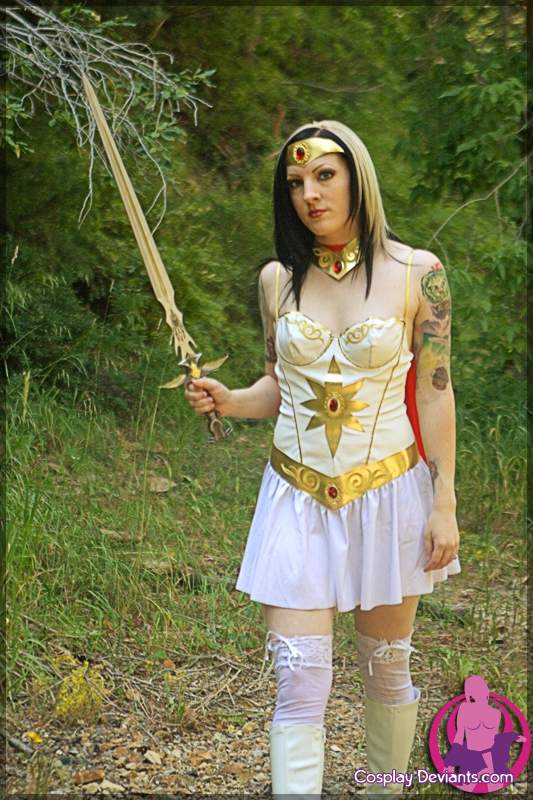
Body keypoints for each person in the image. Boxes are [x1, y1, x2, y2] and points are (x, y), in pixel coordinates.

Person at [184, 120, 461, 797]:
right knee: (299, 677)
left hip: (390, 493)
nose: (309, 193)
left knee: (386, 670)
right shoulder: (277, 280)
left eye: (324, 175)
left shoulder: (419, 274)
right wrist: (229, 400)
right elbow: (278, 386)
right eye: (295, 182)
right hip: (296, 496)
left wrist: (444, 501)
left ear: (357, 176)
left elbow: (434, 392)